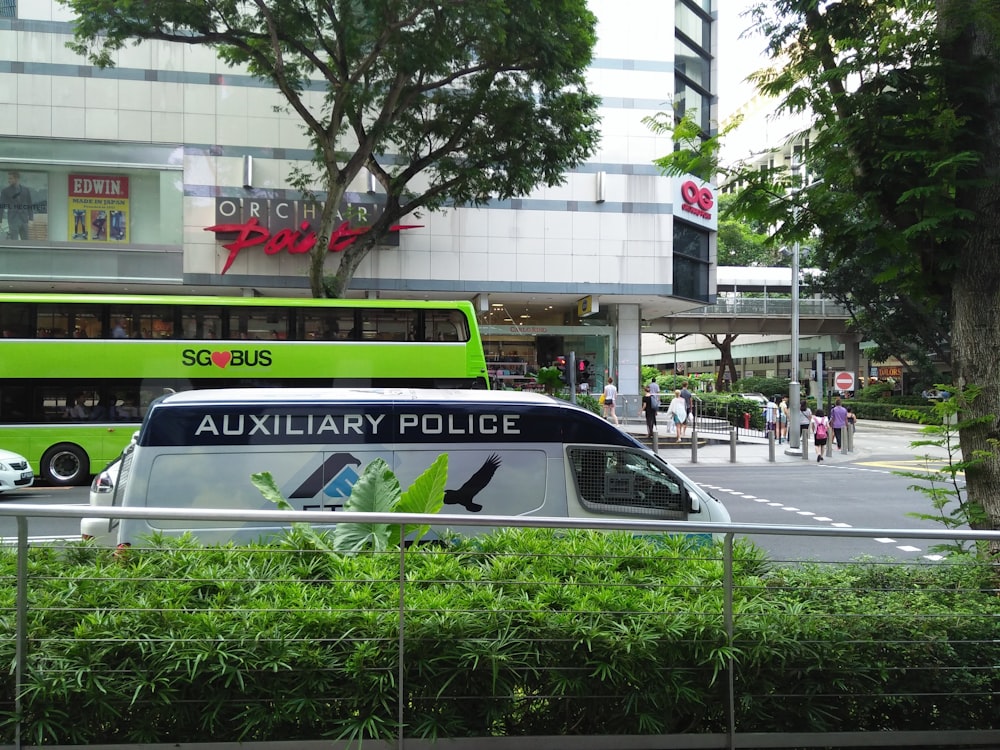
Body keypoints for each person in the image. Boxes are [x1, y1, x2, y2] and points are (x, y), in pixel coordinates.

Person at [0, 171, 33, 240]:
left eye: (10, 178)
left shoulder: (26, 190)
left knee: (26, 241)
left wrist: (31, 218)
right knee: (14, 241)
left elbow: (29, 204)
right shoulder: (5, 191)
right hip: (13, 220)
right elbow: (2, 205)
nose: (8, 181)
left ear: (17, 179)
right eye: (8, 179)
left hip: (24, 219)